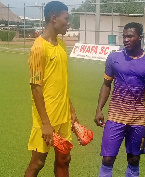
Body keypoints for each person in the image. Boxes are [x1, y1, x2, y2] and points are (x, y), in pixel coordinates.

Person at [94, 22, 145, 177]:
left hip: (138, 120)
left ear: (140, 37)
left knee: (133, 159)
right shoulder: (114, 58)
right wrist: (99, 109)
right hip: (115, 117)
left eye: (130, 36)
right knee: (107, 159)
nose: (125, 39)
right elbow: (106, 84)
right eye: (124, 36)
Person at [25, 1, 78, 177]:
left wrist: (70, 110)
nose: (69, 22)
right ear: (54, 18)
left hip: (63, 116)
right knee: (38, 162)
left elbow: (62, 82)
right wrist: (46, 124)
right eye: (66, 18)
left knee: (64, 159)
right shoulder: (39, 48)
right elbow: (36, 88)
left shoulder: (61, 46)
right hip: (46, 118)